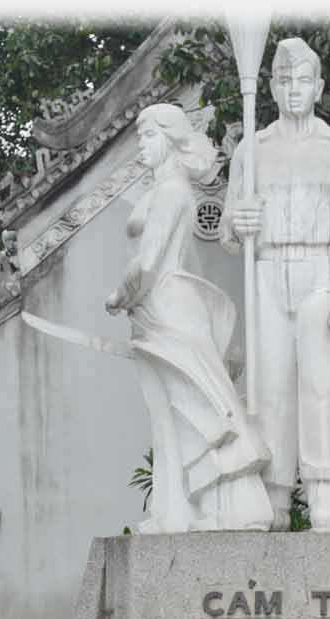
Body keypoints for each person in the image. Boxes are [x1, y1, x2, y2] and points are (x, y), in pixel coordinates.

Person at [223, 36, 330, 532]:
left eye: (303, 80)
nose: (293, 89)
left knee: (321, 384)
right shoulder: (251, 147)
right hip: (265, 270)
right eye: (284, 80)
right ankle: (275, 493)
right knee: (269, 389)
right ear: (270, 86)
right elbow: (227, 230)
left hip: (318, 273)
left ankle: (326, 491)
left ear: (319, 87)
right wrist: (238, 221)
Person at [110, 102, 272, 534]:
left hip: (166, 304)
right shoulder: (163, 188)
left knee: (196, 411)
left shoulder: (170, 191)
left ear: (170, 138)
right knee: (166, 414)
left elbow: (146, 264)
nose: (140, 146)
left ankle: (230, 508)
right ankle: (172, 511)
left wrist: (117, 297)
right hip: (155, 309)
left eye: (147, 136)